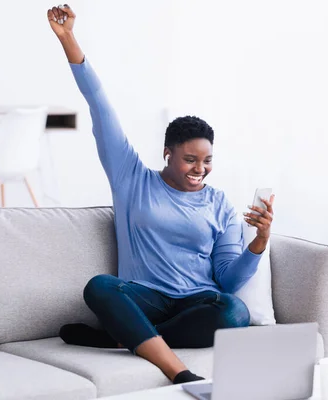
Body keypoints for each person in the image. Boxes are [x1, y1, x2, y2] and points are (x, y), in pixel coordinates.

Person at [47, 4, 275, 385]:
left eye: (207, 161)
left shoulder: (219, 203)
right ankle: (175, 368)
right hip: (143, 297)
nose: (199, 169)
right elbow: (100, 107)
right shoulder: (131, 177)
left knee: (234, 312)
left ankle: (124, 336)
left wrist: (260, 243)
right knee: (100, 287)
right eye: (189, 159)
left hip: (197, 303)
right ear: (167, 152)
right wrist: (70, 39)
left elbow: (227, 281)